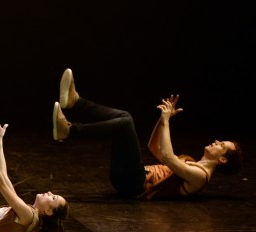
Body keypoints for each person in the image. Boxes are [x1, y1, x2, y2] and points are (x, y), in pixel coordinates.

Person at [52, 68, 243, 199]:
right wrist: (162, 120)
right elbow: (155, 148)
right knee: (125, 117)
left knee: (125, 123)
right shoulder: (191, 161)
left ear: (223, 160)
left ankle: (69, 131)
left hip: (133, 185)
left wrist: (167, 121)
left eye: (222, 145)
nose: (217, 141)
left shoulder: (201, 176)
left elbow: (168, 156)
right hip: (132, 177)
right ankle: (75, 102)